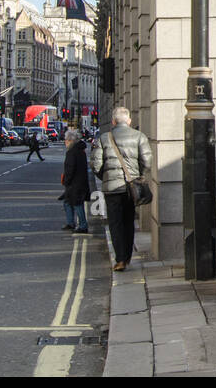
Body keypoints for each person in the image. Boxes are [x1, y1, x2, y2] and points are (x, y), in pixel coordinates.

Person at [90, 106, 153, 271]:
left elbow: (96, 165)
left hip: (112, 189)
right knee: (128, 221)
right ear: (129, 121)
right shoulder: (139, 136)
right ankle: (127, 256)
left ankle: (120, 259)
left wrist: (106, 177)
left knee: (115, 223)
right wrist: (138, 176)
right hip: (131, 186)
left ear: (113, 121)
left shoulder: (104, 138)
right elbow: (147, 162)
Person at [60, 126, 91, 233]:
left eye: (67, 140)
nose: (65, 142)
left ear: (71, 141)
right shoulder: (80, 150)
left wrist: (66, 181)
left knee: (77, 204)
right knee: (68, 202)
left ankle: (83, 225)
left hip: (75, 183)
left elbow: (70, 168)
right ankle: (70, 223)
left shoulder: (72, 152)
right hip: (80, 182)